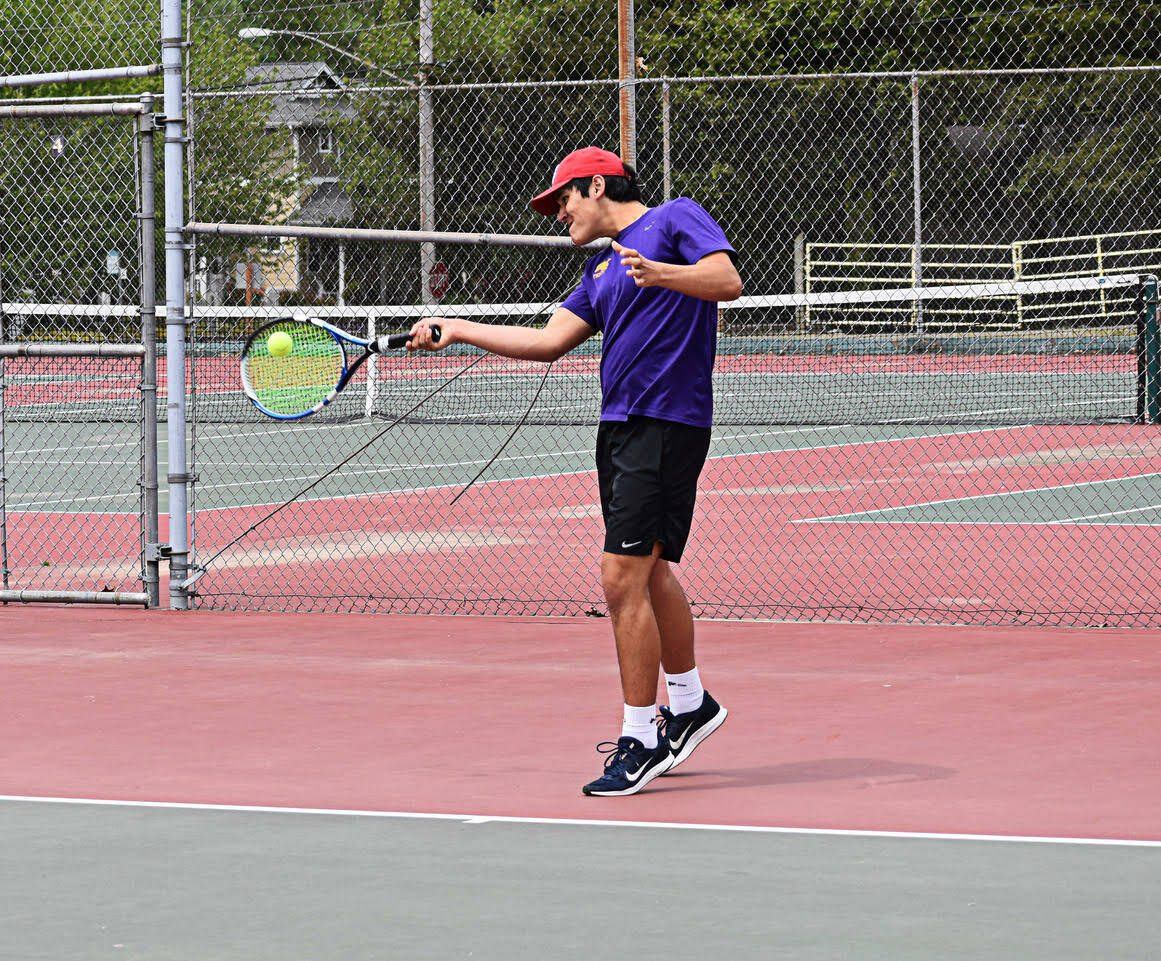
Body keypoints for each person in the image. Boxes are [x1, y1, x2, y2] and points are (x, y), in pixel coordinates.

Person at [408, 146, 742, 796]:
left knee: (620, 579)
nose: (558, 212)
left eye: (563, 199)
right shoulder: (599, 271)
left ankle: (642, 737)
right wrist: (456, 326)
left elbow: (725, 280)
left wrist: (663, 273)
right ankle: (690, 701)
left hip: (666, 421)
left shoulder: (675, 218)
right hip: (618, 429)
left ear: (597, 185)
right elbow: (546, 341)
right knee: (649, 571)